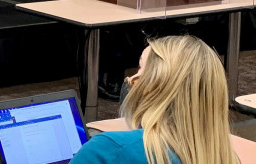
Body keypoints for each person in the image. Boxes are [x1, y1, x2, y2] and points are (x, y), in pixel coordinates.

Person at [70, 35, 239, 163]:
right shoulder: (224, 155)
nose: (132, 79)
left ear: (154, 84)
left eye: (141, 67)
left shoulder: (108, 150)